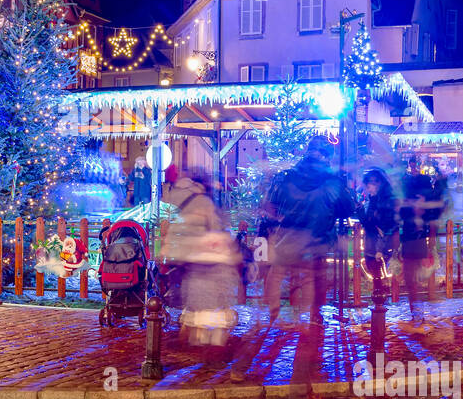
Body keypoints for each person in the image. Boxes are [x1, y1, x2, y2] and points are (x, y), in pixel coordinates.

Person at [260, 135, 352, 328]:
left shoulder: (288, 176)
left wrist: (281, 218)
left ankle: (272, 313)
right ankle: (312, 317)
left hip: (288, 235)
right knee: (311, 277)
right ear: (326, 155)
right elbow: (347, 207)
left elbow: (270, 204)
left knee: (277, 274)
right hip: (317, 238)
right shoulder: (331, 180)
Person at [162, 167, 240, 352]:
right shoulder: (204, 202)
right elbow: (215, 226)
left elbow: (171, 223)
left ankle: (192, 331)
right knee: (210, 296)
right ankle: (208, 340)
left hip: (180, 253)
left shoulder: (176, 196)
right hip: (202, 255)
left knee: (193, 294)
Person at [397, 158, 447, 326]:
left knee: (415, 281)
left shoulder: (424, 208)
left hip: (417, 244)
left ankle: (418, 312)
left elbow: (431, 225)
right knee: (413, 281)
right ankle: (417, 312)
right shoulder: (415, 206)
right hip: (412, 243)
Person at [358, 167, 399, 290]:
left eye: (370, 185)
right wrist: (360, 210)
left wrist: (380, 249)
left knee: (378, 276)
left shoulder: (383, 202)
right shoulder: (374, 200)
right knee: (376, 274)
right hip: (372, 243)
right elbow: (368, 223)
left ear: (378, 184)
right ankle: (380, 301)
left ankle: (380, 302)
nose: (368, 188)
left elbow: (382, 225)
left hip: (379, 245)